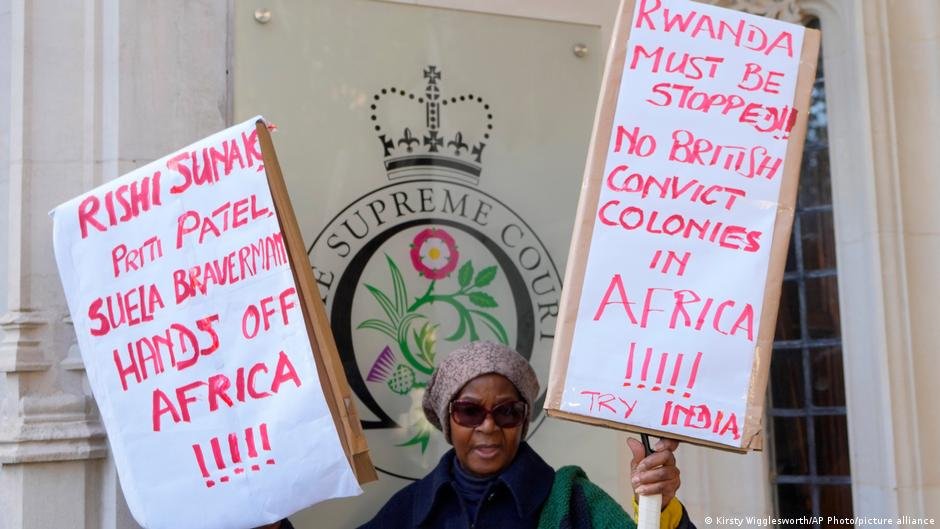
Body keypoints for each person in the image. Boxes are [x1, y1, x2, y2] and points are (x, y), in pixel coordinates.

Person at [354, 340, 696, 529]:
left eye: (506, 412)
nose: (488, 427)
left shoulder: (571, 502)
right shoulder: (411, 509)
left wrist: (659, 505)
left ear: (524, 419)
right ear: (448, 419)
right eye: (470, 412)